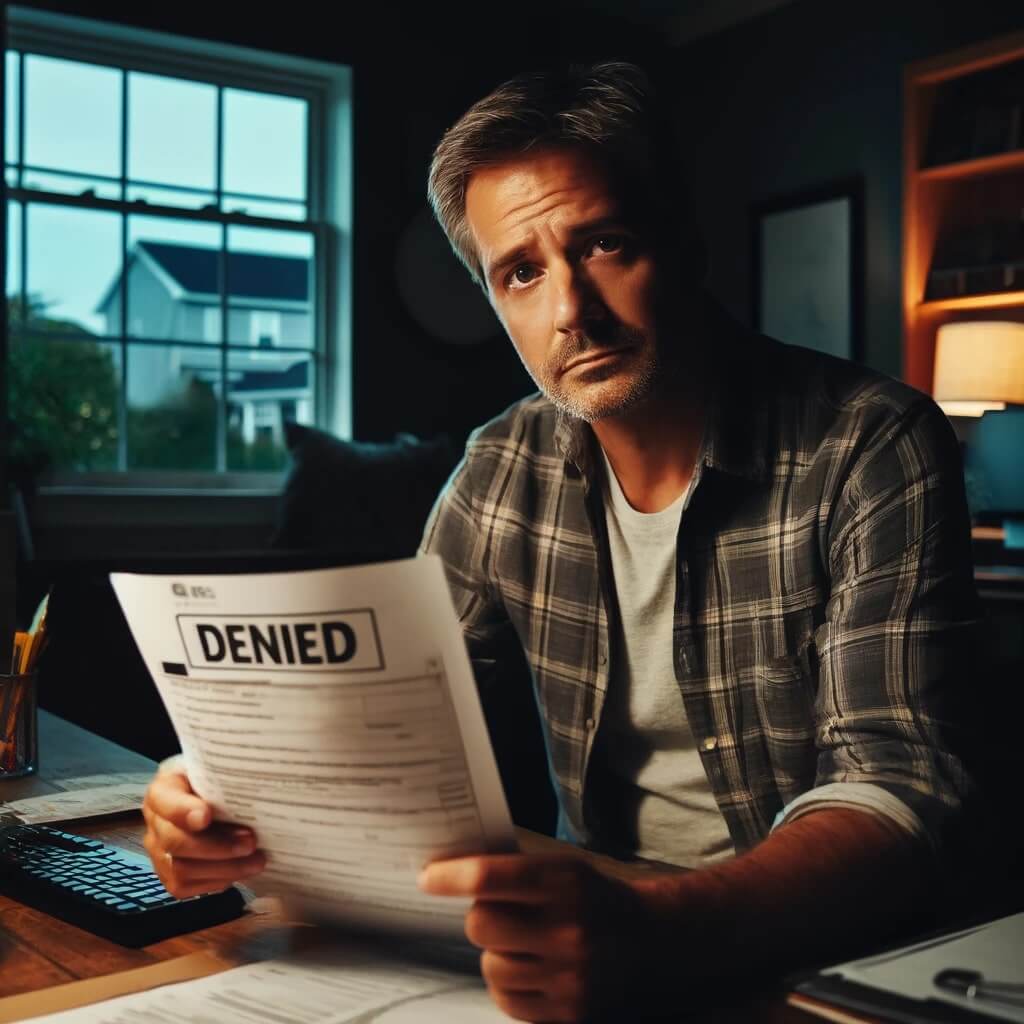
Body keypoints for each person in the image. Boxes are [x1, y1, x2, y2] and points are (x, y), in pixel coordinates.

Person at [142, 62, 982, 1022]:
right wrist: (213, 798)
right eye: (522, 273)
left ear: (684, 241)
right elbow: (378, 716)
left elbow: (903, 788)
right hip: (583, 937)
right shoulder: (504, 463)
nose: (570, 311)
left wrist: (662, 926)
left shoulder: (872, 442)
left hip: (816, 963)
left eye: (605, 244)